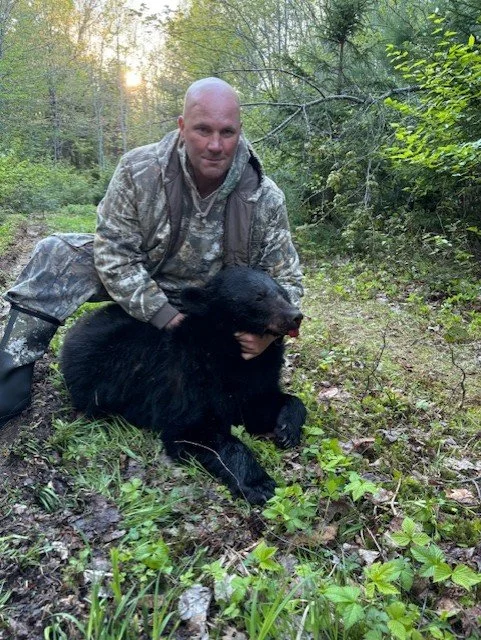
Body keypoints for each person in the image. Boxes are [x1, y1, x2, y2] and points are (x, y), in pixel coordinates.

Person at [0, 77, 303, 429]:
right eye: (203, 130)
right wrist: (166, 317)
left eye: (227, 132)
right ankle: (12, 369)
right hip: (146, 276)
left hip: (210, 300)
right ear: (181, 126)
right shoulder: (139, 170)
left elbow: (286, 278)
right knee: (56, 253)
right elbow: (114, 254)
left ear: (239, 131)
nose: (216, 145)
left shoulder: (264, 196)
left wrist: (268, 333)